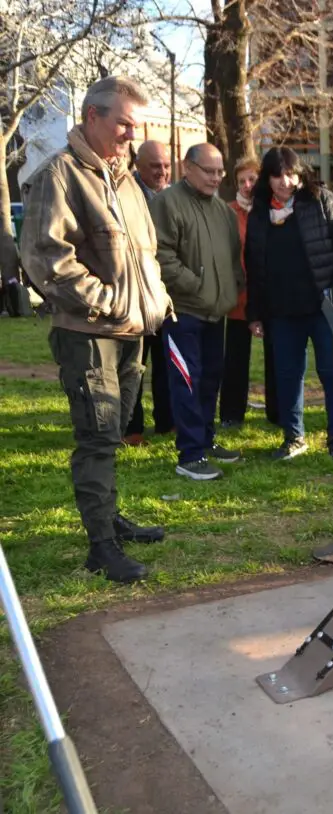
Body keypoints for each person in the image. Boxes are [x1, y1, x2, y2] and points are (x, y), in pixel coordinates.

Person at [20, 75, 173, 583]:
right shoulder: (58, 175)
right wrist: (111, 304)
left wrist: (156, 302)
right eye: (124, 124)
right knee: (98, 437)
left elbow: (146, 256)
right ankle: (100, 547)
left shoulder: (126, 179)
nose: (132, 135)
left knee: (116, 432)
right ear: (92, 116)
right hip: (88, 334)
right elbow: (47, 260)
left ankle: (109, 518)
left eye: (136, 125)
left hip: (132, 332)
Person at [245, 147, 333, 461]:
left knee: (332, 372)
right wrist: (255, 313)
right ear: (267, 179)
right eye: (277, 175)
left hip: (324, 308)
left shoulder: (323, 201)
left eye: (290, 174)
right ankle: (294, 437)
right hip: (281, 311)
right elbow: (253, 267)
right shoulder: (259, 213)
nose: (285, 181)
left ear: (301, 174)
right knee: (287, 375)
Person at [151, 144, 244, 480]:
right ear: (187, 167)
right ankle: (190, 455)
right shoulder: (166, 203)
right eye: (209, 171)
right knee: (186, 383)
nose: (216, 178)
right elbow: (160, 255)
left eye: (220, 171)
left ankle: (205, 440)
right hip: (183, 313)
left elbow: (232, 259)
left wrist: (231, 289)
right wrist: (196, 285)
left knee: (209, 380)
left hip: (215, 313)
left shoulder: (223, 212)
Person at [219, 156, 277, 428]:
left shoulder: (273, 210)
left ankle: (277, 411)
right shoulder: (228, 213)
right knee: (235, 358)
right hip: (238, 295)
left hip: (269, 294)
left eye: (252, 179)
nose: (246, 185)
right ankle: (231, 413)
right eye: (241, 181)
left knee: (275, 356)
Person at [124, 139, 174, 445]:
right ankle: (132, 429)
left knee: (167, 365)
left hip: (167, 297)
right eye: (155, 166)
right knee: (134, 366)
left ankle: (168, 422)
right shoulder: (125, 193)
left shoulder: (174, 196)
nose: (162, 171)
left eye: (166, 165)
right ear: (138, 165)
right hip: (135, 296)